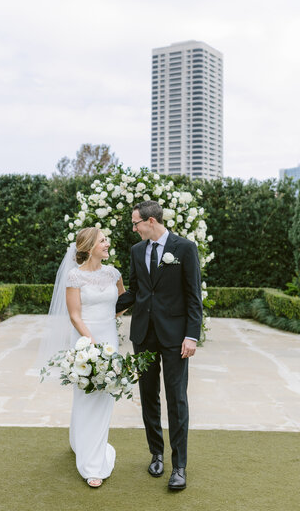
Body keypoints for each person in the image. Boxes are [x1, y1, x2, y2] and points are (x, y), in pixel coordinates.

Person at [116, 200, 202, 491]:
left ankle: (179, 466)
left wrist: (192, 335)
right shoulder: (137, 251)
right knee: (148, 395)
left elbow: (193, 296)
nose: (134, 228)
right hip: (144, 335)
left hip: (176, 337)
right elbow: (136, 290)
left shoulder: (185, 248)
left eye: (136, 223)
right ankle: (157, 453)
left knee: (176, 398)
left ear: (151, 222)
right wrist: (104, 304)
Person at [43, 227, 125, 488]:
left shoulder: (114, 274)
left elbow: (123, 302)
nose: (107, 244)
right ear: (89, 247)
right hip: (86, 341)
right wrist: (90, 340)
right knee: (86, 395)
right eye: (103, 241)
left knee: (104, 397)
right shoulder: (74, 276)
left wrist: (109, 322)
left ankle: (94, 456)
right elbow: (75, 315)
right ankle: (90, 463)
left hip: (109, 341)